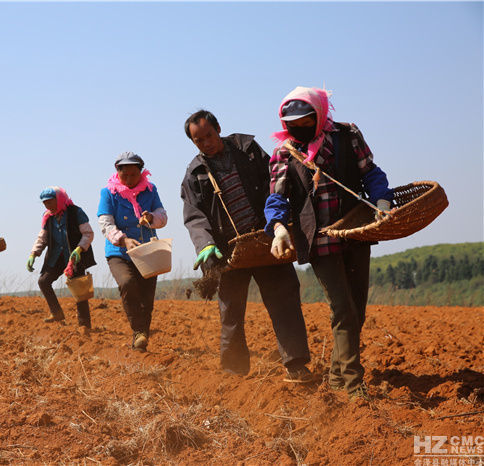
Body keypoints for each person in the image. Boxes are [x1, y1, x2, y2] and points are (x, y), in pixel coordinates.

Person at [264, 86, 393, 400]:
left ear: (319, 115)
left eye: (306, 121)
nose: (298, 129)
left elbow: (370, 172)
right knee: (342, 309)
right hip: (317, 237)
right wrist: (279, 228)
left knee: (356, 311)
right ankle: (353, 384)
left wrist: (382, 201)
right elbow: (277, 197)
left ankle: (335, 378)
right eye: (291, 124)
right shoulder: (286, 151)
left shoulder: (348, 136)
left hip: (355, 231)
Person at [181, 109, 311, 381]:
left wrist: (280, 225)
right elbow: (194, 216)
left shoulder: (248, 149)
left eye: (208, 135)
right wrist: (205, 245)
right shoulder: (195, 174)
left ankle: (296, 365)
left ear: (218, 128)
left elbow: (274, 183)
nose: (206, 143)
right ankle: (234, 374)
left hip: (266, 240)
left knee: (284, 299)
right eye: (198, 140)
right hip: (228, 252)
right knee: (231, 311)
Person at [97, 152, 168, 352]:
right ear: (117, 173)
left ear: (141, 173)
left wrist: (152, 217)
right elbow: (105, 223)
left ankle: (141, 340)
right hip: (119, 252)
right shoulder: (108, 193)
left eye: (133, 175)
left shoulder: (150, 190)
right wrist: (124, 240)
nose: (128, 180)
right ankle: (138, 331)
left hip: (147, 250)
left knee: (147, 296)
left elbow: (163, 216)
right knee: (128, 283)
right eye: (124, 175)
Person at [27, 186, 96, 330]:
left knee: (79, 290)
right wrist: (33, 254)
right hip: (56, 257)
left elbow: (88, 233)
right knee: (44, 281)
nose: (48, 206)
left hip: (74, 256)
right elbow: (43, 238)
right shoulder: (48, 217)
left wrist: (79, 248)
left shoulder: (75, 212)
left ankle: (85, 326)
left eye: (50, 202)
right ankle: (56, 313)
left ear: (59, 199)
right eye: (45, 203)